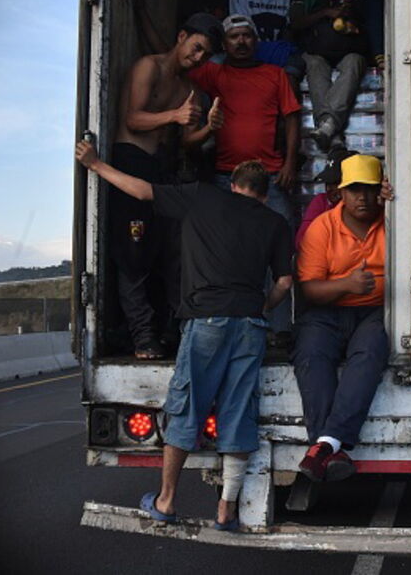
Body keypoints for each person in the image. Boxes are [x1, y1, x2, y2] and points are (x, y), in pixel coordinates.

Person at [75, 141, 293, 531]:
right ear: (263, 192)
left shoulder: (202, 198)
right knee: (239, 410)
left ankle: (167, 499)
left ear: (234, 185)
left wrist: (95, 165)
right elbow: (284, 282)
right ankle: (227, 509)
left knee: (187, 405)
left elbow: (141, 190)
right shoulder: (274, 222)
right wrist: (261, 308)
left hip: (207, 320)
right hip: (250, 326)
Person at [110, 12, 224, 359]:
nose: (199, 57)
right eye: (197, 47)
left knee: (173, 254)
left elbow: (189, 143)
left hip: (164, 171)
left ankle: (172, 332)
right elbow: (132, 118)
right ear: (181, 37)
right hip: (132, 163)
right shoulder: (149, 67)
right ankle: (142, 338)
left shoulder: (192, 90)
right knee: (133, 256)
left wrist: (209, 129)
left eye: (206, 53)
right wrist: (173, 116)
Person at [188, 13, 301, 339]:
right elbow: (176, 61)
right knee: (228, 253)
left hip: (271, 178)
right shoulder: (215, 73)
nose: (241, 42)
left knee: (280, 254)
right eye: (234, 37)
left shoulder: (275, 75)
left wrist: (290, 163)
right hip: (227, 179)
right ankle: (237, 326)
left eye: (247, 36)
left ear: (256, 41)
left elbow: (292, 119)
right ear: (224, 44)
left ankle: (279, 331)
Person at [293, 153, 389, 482]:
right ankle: (333, 446)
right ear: (341, 193)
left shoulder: (396, 221)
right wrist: (347, 284)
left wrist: (395, 201)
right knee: (311, 356)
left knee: (370, 354)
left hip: (374, 311)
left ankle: (321, 446)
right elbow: (308, 290)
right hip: (328, 311)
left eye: (370, 189)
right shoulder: (323, 228)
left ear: (381, 191)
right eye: (354, 189)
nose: (362, 197)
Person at [289, 0, 369, 152]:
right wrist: (325, 13)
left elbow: (364, 18)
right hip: (315, 47)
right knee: (315, 66)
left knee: (355, 62)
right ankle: (333, 132)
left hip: (346, 46)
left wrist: (350, 12)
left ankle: (328, 126)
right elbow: (296, 23)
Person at [229, 0, 305, 86]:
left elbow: (291, 31)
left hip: (282, 53)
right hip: (251, 52)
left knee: (294, 68)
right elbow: (241, 32)